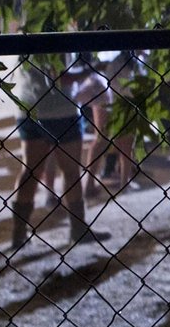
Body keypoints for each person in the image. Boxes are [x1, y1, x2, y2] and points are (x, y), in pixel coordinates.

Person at [9, 53, 109, 251]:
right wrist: (94, 68)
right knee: (71, 171)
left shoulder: (26, 30)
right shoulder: (57, 28)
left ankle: (18, 233)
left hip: (29, 107)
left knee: (30, 170)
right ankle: (78, 229)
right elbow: (62, 77)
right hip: (60, 110)